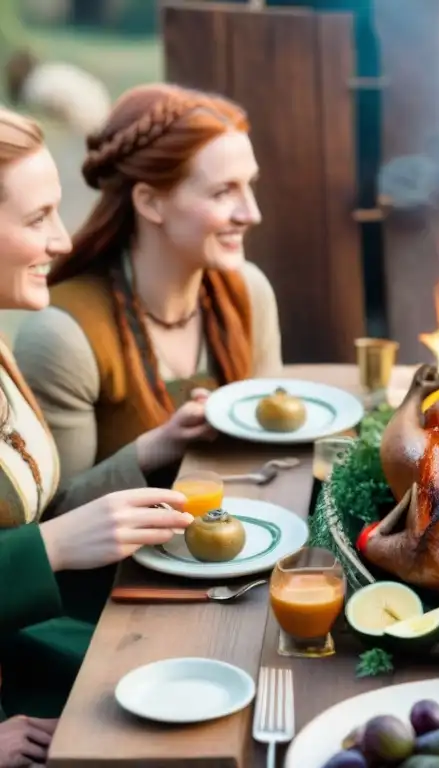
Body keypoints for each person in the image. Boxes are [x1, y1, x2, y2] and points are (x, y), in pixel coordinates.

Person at [0, 107, 193, 767]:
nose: (61, 240)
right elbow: (42, 540)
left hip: (45, 645)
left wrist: (154, 450)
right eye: (37, 219)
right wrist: (53, 545)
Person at [13, 83, 283, 488]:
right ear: (150, 202)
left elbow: (276, 446)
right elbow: (52, 516)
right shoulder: (63, 336)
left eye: (250, 185)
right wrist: (157, 446)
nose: (252, 213)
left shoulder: (249, 292)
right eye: (224, 191)